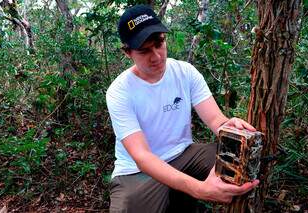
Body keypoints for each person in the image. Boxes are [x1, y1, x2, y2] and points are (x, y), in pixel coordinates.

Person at [106, 4, 259, 213]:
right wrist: (200, 189)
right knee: (129, 206)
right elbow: (142, 156)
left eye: (159, 43)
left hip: (184, 154)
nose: (156, 56)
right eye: (144, 50)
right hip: (137, 171)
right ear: (128, 53)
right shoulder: (120, 91)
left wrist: (230, 127)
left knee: (237, 160)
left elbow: (217, 121)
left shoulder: (185, 72)